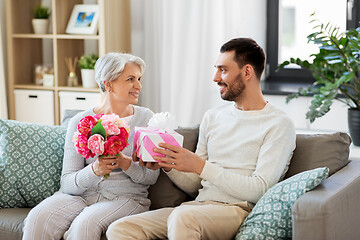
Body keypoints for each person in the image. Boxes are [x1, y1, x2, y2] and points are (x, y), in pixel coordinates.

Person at [106, 38, 296, 240]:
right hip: (197, 208)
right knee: (120, 228)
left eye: (223, 70)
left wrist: (201, 166)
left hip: (237, 210)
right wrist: (168, 164)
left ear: (247, 72)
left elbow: (260, 189)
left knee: (183, 217)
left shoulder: (278, 124)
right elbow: (196, 185)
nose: (215, 78)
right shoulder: (212, 117)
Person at [22, 53, 160, 240]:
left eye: (139, 79)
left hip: (126, 198)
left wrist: (124, 163)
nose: (139, 86)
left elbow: (150, 177)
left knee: (85, 224)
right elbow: (68, 183)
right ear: (108, 83)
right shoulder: (79, 122)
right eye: (130, 79)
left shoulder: (147, 119)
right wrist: (95, 170)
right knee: (38, 217)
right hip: (79, 196)